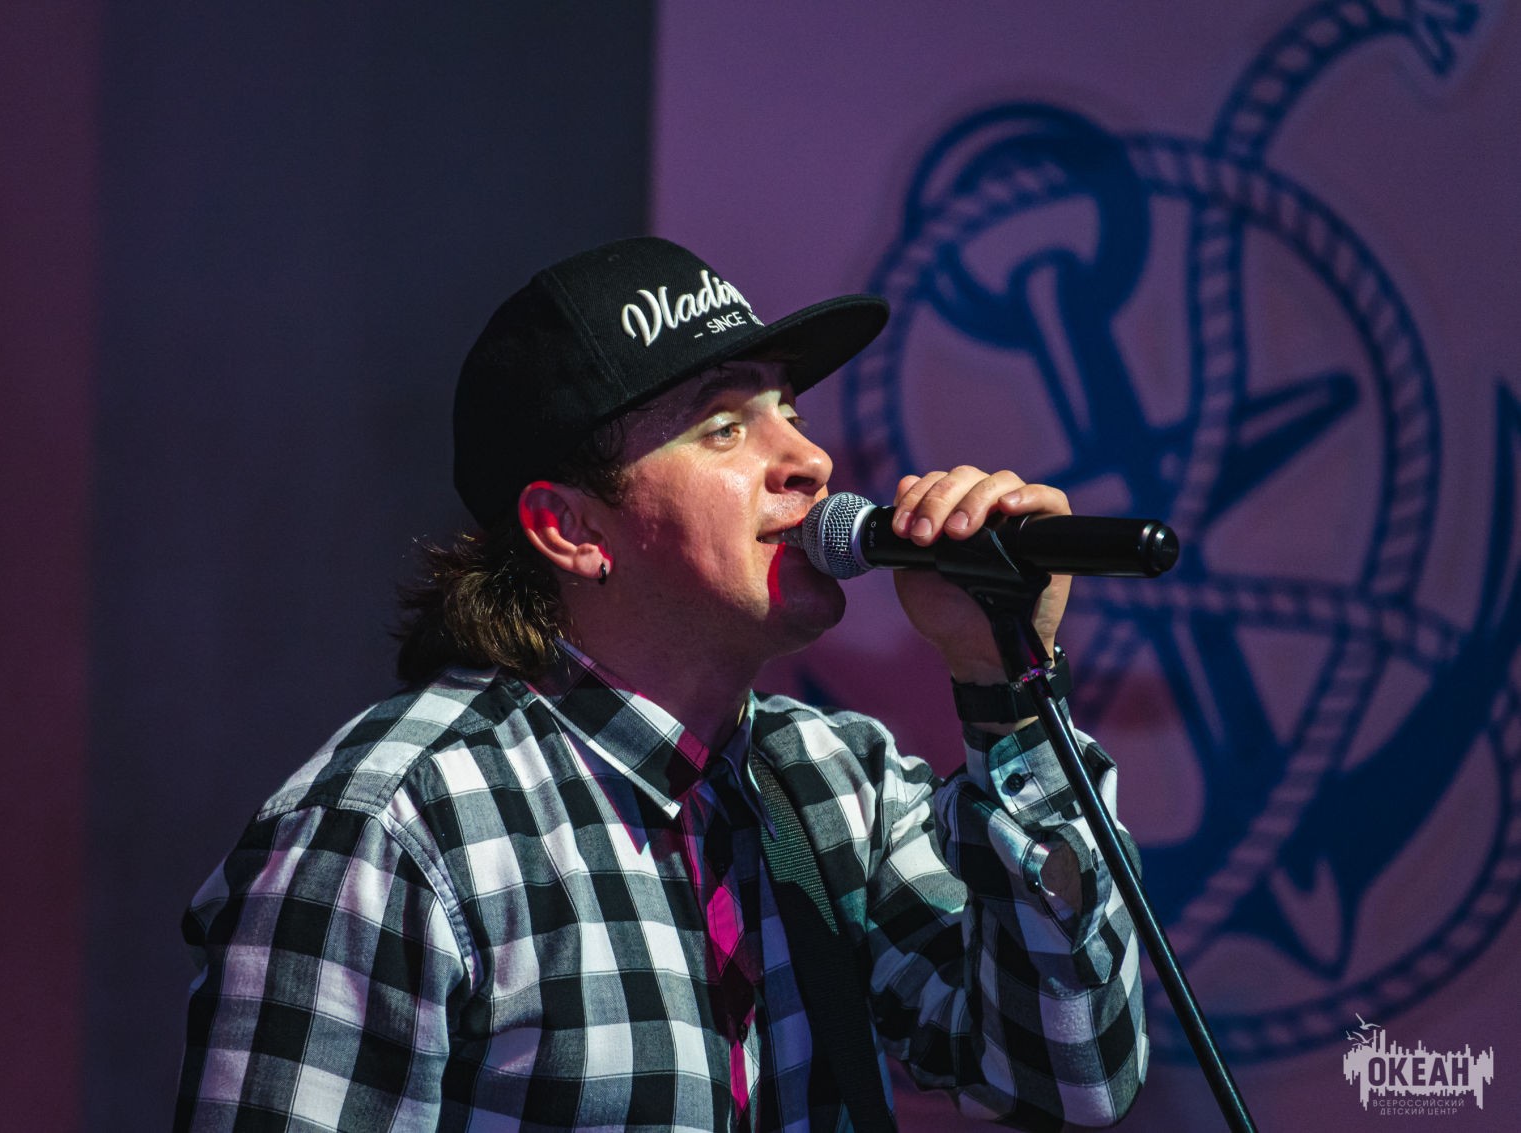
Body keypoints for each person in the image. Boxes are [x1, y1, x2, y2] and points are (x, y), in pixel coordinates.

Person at [174, 236, 1147, 1131]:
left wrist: (1003, 682)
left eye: (791, 412)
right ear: (571, 528)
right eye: (724, 427)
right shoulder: (393, 830)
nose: (810, 461)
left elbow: (1069, 1075)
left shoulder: (834, 781)